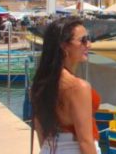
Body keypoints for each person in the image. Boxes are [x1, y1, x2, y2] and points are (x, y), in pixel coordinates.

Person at [30, 17, 101, 154]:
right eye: (83, 40)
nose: (89, 44)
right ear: (64, 46)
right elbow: (85, 141)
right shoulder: (78, 87)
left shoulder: (39, 85)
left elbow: (41, 133)